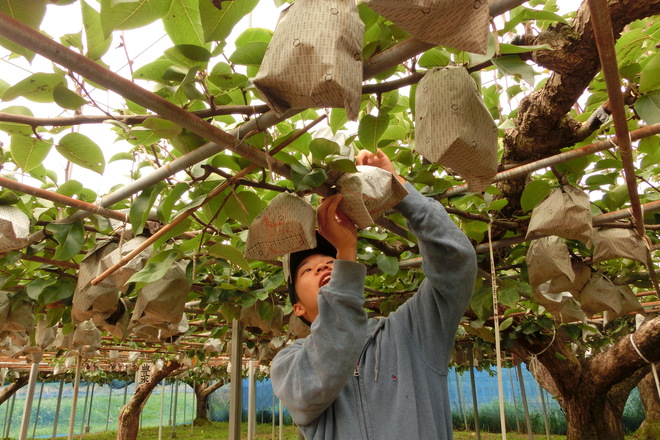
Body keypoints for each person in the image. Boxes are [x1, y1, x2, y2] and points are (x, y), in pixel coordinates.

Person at [271, 149, 477, 440]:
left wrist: (397, 188)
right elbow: (332, 353)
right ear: (298, 309)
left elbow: (456, 263)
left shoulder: (410, 331)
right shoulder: (288, 365)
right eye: (307, 270)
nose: (323, 268)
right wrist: (343, 253)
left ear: (350, 275)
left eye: (331, 263)